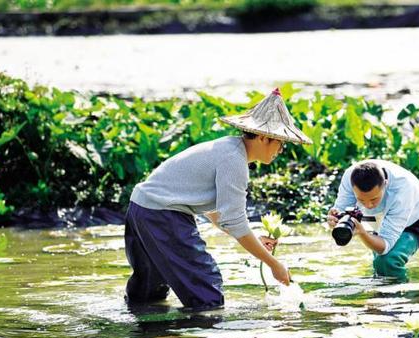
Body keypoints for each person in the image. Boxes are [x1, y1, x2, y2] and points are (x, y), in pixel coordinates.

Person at [124, 88, 312, 311]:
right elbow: (234, 221)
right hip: (162, 215)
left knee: (148, 293)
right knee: (207, 295)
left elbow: (217, 213)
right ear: (263, 137)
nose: (281, 149)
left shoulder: (228, 148)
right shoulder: (234, 160)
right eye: (280, 142)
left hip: (141, 209)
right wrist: (274, 264)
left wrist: (253, 239)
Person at [327, 160, 419, 282]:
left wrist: (363, 233)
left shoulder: (402, 190)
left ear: (385, 184)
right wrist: (335, 220)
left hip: (415, 221)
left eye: (374, 199)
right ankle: (382, 291)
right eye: (361, 200)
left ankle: (400, 296)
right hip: (380, 219)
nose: (368, 205)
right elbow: (341, 212)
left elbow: (384, 246)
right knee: (379, 266)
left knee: (387, 260)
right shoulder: (350, 177)